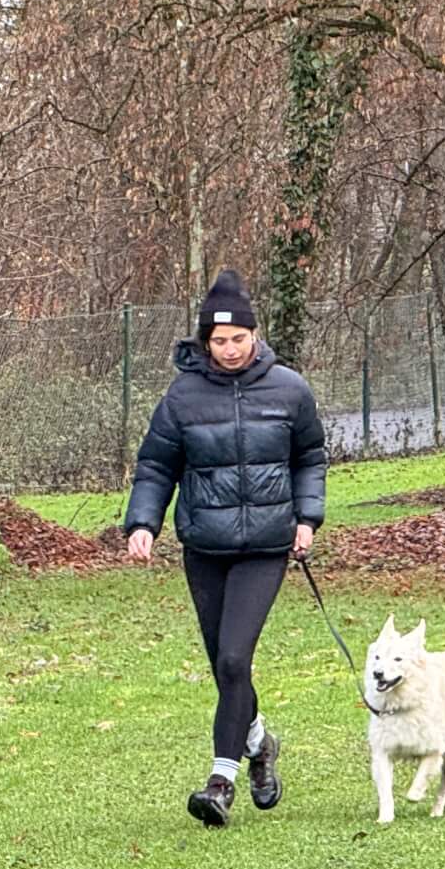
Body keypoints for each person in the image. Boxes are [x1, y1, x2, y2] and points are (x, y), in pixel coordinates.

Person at [122, 270, 329, 827]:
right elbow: (156, 465)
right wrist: (143, 523)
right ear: (205, 342)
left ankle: (221, 782)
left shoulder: (289, 389)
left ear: (254, 335)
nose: (230, 349)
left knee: (236, 658)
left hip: (266, 544)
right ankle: (259, 743)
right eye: (219, 340)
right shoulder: (182, 397)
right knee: (223, 666)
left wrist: (307, 517)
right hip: (205, 546)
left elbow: (309, 458)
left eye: (239, 338)